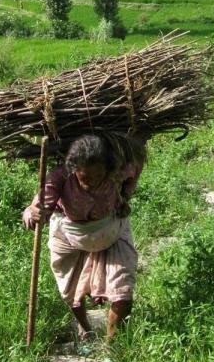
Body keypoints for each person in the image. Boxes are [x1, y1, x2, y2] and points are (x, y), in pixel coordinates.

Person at [23, 133, 146, 342]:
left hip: (111, 230)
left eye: (98, 177)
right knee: (70, 292)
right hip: (69, 234)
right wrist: (31, 213)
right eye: (85, 178)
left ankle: (112, 345)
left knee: (123, 289)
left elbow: (138, 162)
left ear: (107, 169)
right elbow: (39, 207)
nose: (91, 183)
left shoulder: (118, 171)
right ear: (73, 170)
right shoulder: (60, 177)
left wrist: (127, 194)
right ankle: (85, 329)